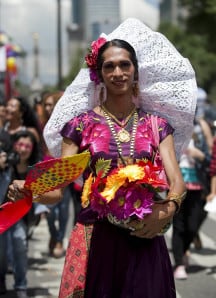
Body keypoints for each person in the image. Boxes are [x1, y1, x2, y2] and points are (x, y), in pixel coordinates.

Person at [8, 17, 197, 297]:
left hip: (145, 234)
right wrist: (29, 189)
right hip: (96, 236)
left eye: (125, 65)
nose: (118, 72)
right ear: (99, 73)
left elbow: (176, 182)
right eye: (109, 66)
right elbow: (59, 190)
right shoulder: (79, 125)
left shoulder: (157, 124)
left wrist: (167, 210)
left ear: (135, 72)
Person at [0, 130, 42, 298]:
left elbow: (42, 192)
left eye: (27, 146)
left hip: (19, 216)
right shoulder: (6, 163)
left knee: (20, 246)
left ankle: (21, 286)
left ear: (32, 148)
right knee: (1, 253)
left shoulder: (35, 168)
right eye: (19, 144)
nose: (23, 149)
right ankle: (1, 279)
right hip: (2, 214)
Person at [40, 90, 72, 258]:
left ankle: (59, 240)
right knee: (50, 212)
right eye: (46, 105)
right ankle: (54, 235)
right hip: (46, 174)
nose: (48, 108)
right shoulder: (42, 126)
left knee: (64, 209)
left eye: (51, 104)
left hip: (63, 172)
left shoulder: (67, 125)